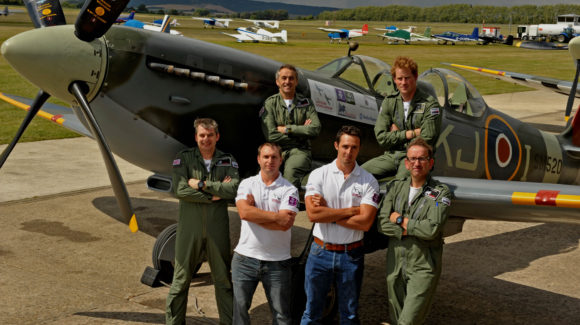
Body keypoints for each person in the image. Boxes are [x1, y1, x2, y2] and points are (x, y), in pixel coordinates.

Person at [300, 125, 380, 324]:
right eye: (345, 146)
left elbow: (365, 222)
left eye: (354, 147)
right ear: (336, 145)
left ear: (359, 149)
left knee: (350, 315)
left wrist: (328, 212)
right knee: (311, 312)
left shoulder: (368, 181)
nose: (349, 152)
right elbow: (313, 214)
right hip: (320, 253)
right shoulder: (319, 175)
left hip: (351, 256)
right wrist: (351, 210)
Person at [166, 118, 240, 325]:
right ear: (196, 137)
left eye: (209, 135)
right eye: (202, 135)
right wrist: (214, 194)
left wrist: (200, 184)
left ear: (217, 137)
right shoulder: (184, 158)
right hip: (190, 230)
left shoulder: (227, 160)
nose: (205, 139)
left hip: (217, 230)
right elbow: (180, 189)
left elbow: (233, 189)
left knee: (224, 281)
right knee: (180, 281)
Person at [377, 137, 452, 325]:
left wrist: (401, 220)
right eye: (412, 159)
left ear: (431, 162)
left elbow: (431, 229)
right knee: (397, 320)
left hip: (423, 266)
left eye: (422, 159)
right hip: (395, 265)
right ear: (406, 163)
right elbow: (382, 223)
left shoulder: (441, 193)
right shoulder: (396, 187)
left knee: (407, 321)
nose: (417, 163)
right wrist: (410, 228)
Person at [232, 142, 299, 325]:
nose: (270, 161)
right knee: (240, 315)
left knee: (282, 316)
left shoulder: (289, 190)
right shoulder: (247, 184)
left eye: (274, 157)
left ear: (281, 160)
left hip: (278, 262)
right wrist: (275, 217)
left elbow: (285, 224)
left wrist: (255, 213)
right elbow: (244, 213)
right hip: (245, 259)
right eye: (266, 157)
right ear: (259, 159)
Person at [362, 56, 442, 180]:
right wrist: (410, 134)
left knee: (400, 183)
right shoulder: (389, 102)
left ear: (415, 77)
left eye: (407, 78)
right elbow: (381, 138)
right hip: (391, 156)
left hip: (416, 159)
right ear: (394, 79)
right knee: (358, 175)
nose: (403, 83)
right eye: (399, 79)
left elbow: (427, 139)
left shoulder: (430, 104)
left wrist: (396, 135)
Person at [260, 64, 321, 189]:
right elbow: (271, 135)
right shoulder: (270, 103)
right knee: (263, 179)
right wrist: (302, 133)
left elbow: (315, 129)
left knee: (290, 175)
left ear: (296, 81)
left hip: (300, 151)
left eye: (291, 78)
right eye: (284, 78)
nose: (287, 82)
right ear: (278, 82)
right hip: (276, 150)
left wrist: (287, 129)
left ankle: (288, 206)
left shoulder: (306, 103)